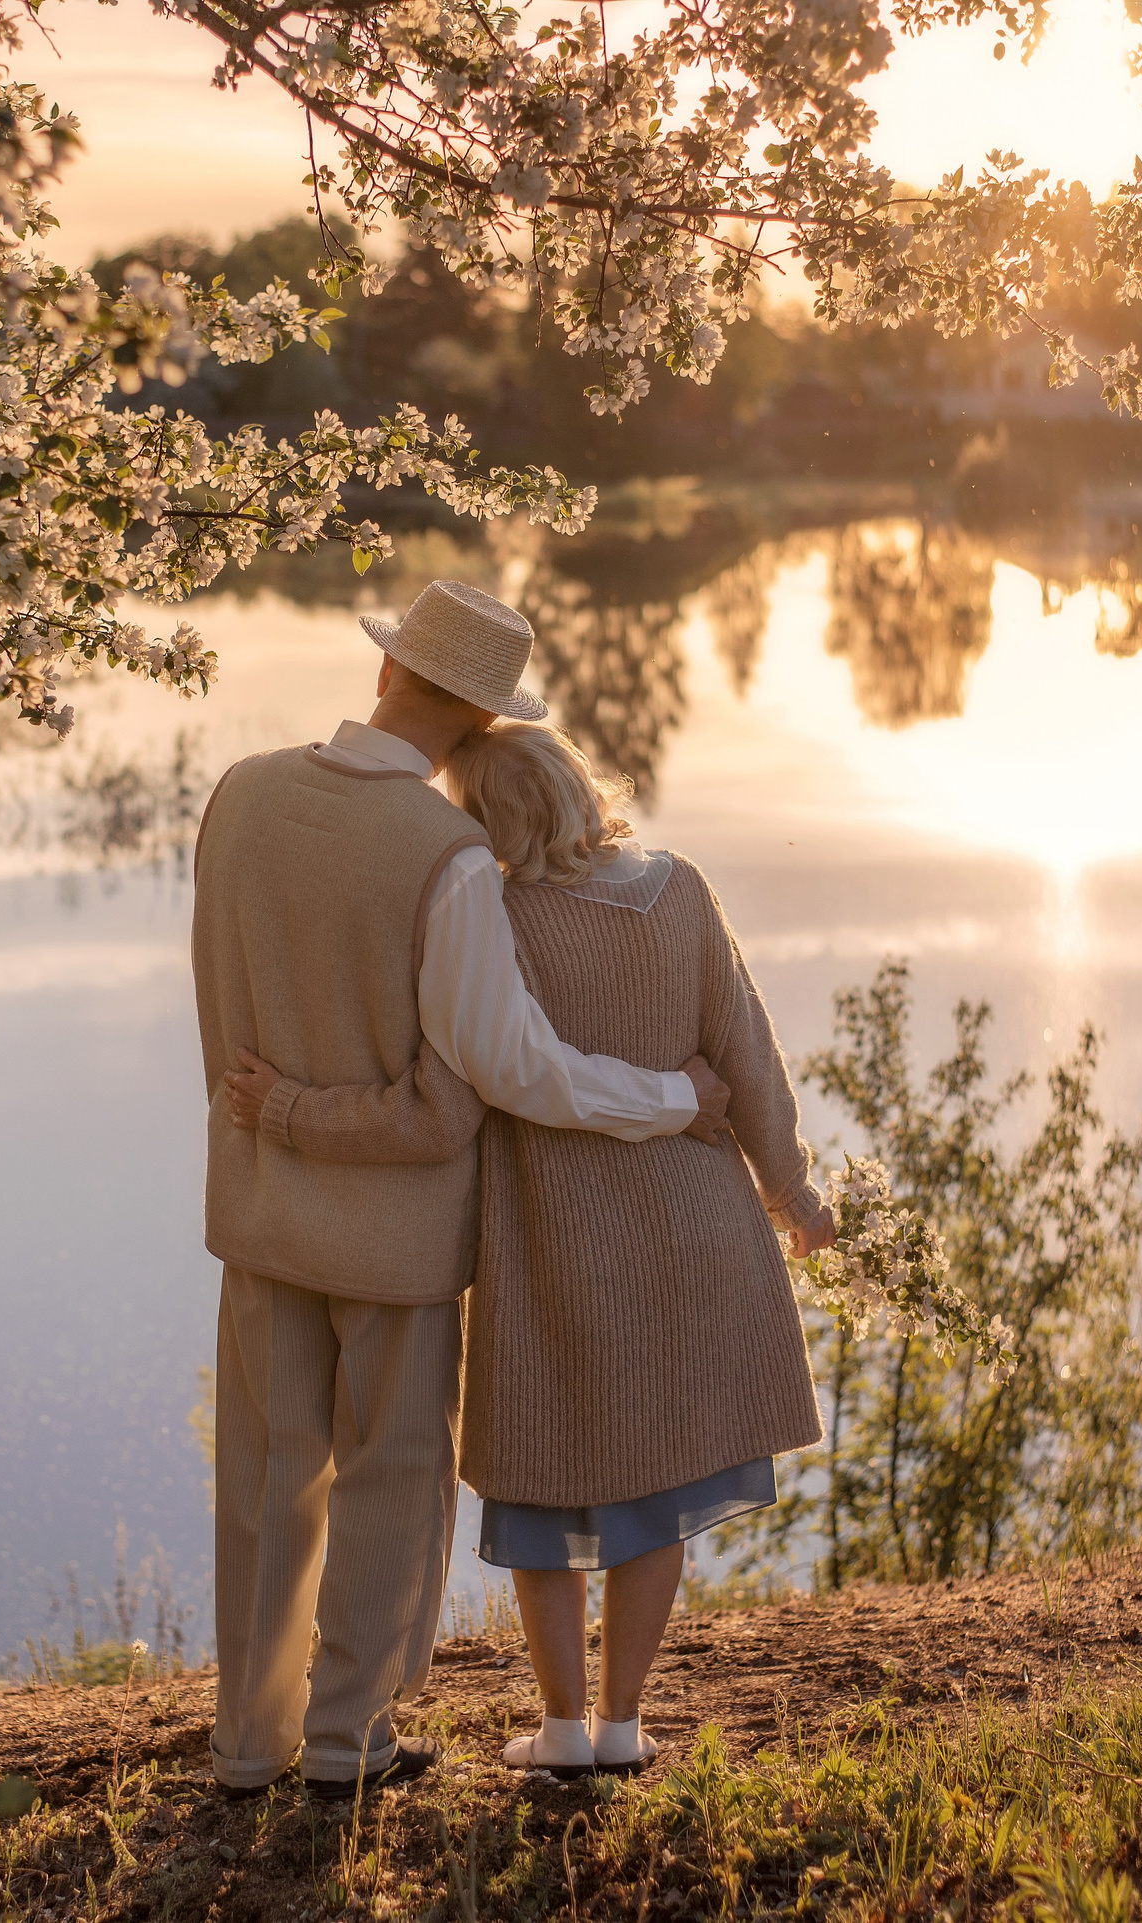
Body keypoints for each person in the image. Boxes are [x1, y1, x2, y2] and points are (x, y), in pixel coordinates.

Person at [189, 579, 734, 1803]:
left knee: (266, 1484)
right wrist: (674, 1101)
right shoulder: (449, 857)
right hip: (396, 1237)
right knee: (389, 1478)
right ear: (483, 723)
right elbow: (512, 1068)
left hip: (261, 1208)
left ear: (386, 673)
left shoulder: (238, 795)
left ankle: (244, 1744)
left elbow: (224, 992)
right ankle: (348, 1742)